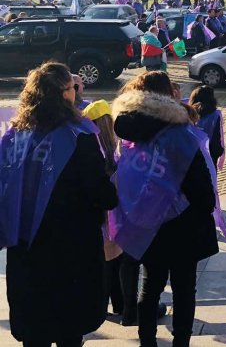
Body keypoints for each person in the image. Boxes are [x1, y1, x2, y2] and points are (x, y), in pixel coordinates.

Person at [1, 62, 117, 347]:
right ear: (64, 93)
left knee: (34, 331)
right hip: (70, 248)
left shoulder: (15, 134)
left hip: (25, 244)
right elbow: (101, 193)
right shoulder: (79, 135)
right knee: (68, 330)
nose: (76, 93)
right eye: (72, 89)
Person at [111, 70, 218, 347]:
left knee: (150, 286)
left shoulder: (129, 130)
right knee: (184, 289)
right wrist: (205, 208)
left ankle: (147, 341)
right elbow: (200, 185)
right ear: (169, 95)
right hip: (185, 223)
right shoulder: (180, 133)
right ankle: (181, 341)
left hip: (147, 222)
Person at [81, 100, 124, 319]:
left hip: (100, 219)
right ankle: (119, 303)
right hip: (116, 218)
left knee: (105, 264)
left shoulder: (90, 151)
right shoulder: (117, 152)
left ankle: (105, 304)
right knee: (115, 263)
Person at [189, 85, 225, 169]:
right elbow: (217, 135)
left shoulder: (188, 112)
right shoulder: (215, 114)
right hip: (209, 153)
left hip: (192, 153)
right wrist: (219, 152)